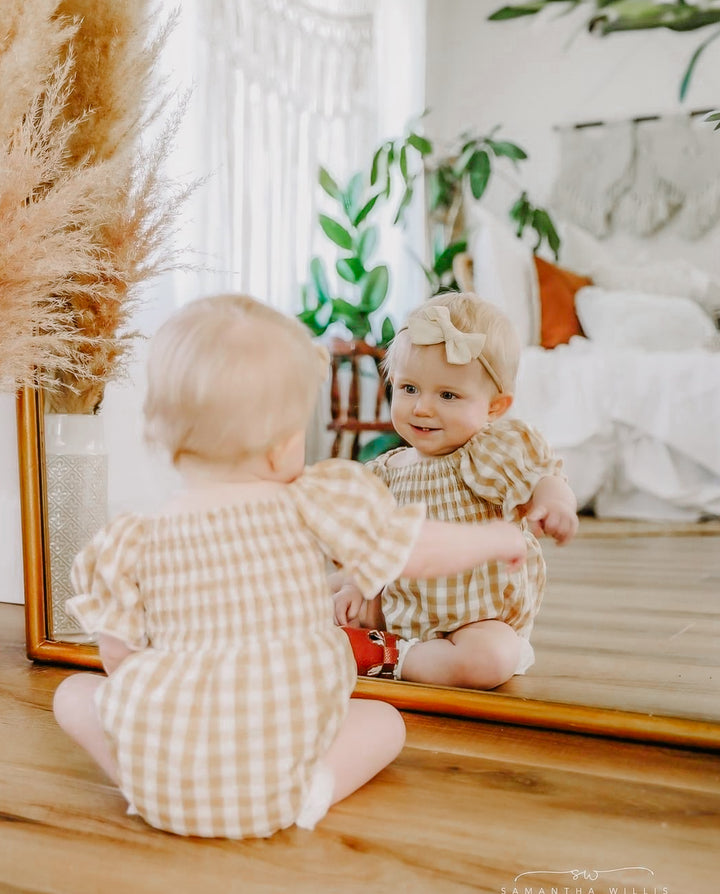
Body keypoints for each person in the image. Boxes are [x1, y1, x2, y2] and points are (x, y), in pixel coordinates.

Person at [52, 293, 528, 840]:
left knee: (73, 695)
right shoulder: (310, 498)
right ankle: (313, 788)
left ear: (166, 438)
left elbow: (117, 656)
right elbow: (414, 549)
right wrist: (491, 539)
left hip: (164, 784)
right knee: (384, 723)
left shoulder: (130, 539)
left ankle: (143, 780)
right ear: (282, 448)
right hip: (277, 778)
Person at [333, 292, 579, 690]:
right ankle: (355, 637)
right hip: (398, 606)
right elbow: (371, 547)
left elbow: (543, 477)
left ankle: (388, 656)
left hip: (476, 619)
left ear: (495, 407)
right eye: (409, 388)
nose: (422, 408)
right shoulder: (384, 472)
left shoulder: (490, 451)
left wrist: (555, 504)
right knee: (327, 592)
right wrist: (354, 587)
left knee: (490, 659)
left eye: (447, 395)